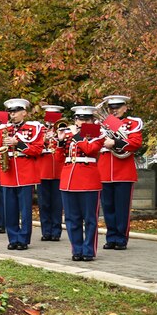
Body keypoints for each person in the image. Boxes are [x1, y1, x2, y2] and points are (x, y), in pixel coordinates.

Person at [0, 98, 43, 250]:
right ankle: (13, 238)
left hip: (25, 172)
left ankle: (23, 239)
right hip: (8, 172)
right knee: (9, 209)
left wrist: (19, 144)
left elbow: (37, 150)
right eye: (10, 112)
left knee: (25, 209)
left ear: (24, 113)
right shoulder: (4, 128)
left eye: (15, 112)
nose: (12, 115)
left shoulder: (34, 127)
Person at [98, 95, 144, 251]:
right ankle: (111, 237)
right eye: (111, 108)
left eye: (117, 107)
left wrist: (115, 142)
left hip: (124, 171)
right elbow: (85, 139)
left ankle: (121, 239)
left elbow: (136, 142)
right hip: (104, 171)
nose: (114, 110)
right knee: (108, 207)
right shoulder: (101, 124)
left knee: (122, 208)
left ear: (125, 108)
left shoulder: (133, 123)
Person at [60, 106, 106, 262]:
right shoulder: (68, 134)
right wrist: (59, 141)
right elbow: (60, 156)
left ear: (92, 120)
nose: (82, 122)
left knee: (89, 218)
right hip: (68, 179)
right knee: (72, 218)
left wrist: (76, 135)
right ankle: (76, 249)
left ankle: (88, 250)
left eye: (86, 119)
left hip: (88, 179)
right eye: (79, 119)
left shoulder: (98, 134)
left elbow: (90, 150)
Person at [37, 105, 67, 241]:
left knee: (57, 203)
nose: (52, 120)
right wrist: (44, 139)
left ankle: (56, 231)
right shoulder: (40, 130)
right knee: (44, 203)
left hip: (59, 170)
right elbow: (34, 147)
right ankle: (46, 231)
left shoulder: (64, 129)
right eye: (50, 116)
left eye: (55, 116)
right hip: (43, 170)